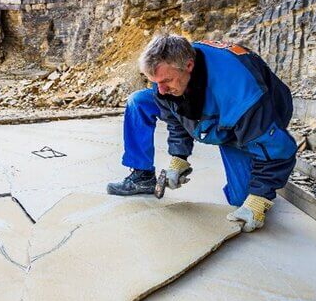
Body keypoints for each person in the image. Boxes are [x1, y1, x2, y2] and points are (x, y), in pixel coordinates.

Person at [107, 33, 297, 232]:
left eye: (166, 81)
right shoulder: (168, 73)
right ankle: (142, 175)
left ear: (189, 66)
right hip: (221, 104)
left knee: (242, 199)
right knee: (138, 101)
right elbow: (175, 114)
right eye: (157, 82)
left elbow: (277, 149)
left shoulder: (238, 93)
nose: (160, 90)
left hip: (263, 113)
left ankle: (244, 159)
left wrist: (260, 198)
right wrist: (179, 157)